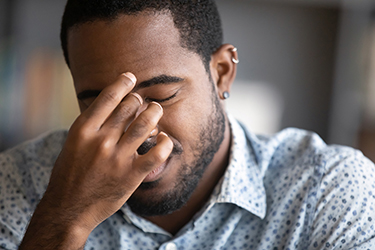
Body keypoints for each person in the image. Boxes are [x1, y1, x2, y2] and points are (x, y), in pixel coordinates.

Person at [1, 0, 375, 249]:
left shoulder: (328, 191)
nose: (139, 132)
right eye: (102, 102)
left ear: (222, 73)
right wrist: (65, 217)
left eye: (162, 96)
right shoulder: (18, 183)